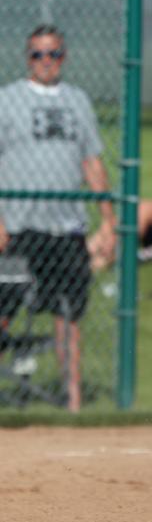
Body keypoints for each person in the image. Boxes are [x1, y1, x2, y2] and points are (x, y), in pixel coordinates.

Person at [0, 24, 116, 412]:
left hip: (66, 227)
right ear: (27, 58)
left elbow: (92, 161)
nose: (45, 61)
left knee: (69, 315)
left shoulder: (78, 101)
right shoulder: (8, 99)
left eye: (53, 54)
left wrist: (107, 219)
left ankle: (73, 400)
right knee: (4, 309)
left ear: (63, 57)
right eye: (37, 54)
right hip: (18, 226)